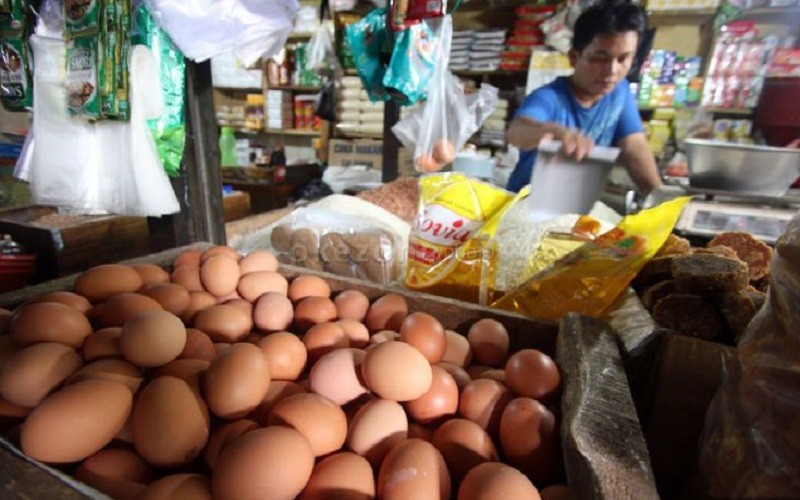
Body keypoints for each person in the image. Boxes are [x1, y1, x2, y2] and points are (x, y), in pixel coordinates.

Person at [505, 0, 663, 197]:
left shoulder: (619, 92)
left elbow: (634, 146)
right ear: (574, 57)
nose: (612, 71)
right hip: (524, 208)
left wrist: (661, 201)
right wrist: (552, 132)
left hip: (574, 210)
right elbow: (517, 131)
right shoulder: (550, 97)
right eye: (600, 58)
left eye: (623, 59)